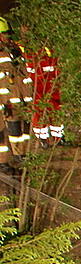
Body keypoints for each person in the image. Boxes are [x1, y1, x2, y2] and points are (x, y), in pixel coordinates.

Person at [0, 18, 30, 170]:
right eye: (5, 34)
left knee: (17, 127)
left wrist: (24, 37)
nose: (8, 37)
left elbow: (19, 72)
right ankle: (2, 162)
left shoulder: (12, 49)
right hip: (3, 100)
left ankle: (20, 155)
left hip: (14, 98)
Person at [24, 41, 61, 148]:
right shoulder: (28, 50)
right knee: (38, 113)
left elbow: (55, 67)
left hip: (51, 86)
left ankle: (58, 137)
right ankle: (43, 139)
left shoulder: (49, 49)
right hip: (37, 87)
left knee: (55, 110)